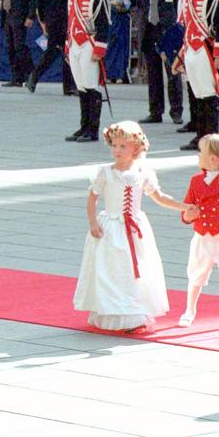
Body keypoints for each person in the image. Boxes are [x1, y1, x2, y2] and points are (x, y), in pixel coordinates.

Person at [74, 121, 193, 332]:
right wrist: (93, 223)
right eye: (114, 145)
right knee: (111, 269)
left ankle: (134, 312)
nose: (116, 150)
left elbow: (159, 196)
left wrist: (183, 207)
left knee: (135, 270)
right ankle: (110, 309)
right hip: (110, 227)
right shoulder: (105, 172)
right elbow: (92, 199)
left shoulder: (143, 172)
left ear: (135, 149)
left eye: (123, 146)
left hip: (135, 228)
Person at [172, 0, 219, 150]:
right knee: (197, 94)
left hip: (205, 49)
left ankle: (212, 139)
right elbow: (184, 26)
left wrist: (217, 55)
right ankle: (200, 136)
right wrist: (180, 54)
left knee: (209, 95)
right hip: (190, 49)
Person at [134, 0, 184, 125]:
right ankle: (155, 111)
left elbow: (179, 8)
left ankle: (176, 111)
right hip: (149, 31)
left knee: (173, 72)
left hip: (167, 33)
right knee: (153, 74)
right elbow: (140, 7)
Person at [64, 0, 110, 143]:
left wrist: (99, 48)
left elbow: (103, 24)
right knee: (82, 87)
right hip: (75, 44)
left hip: (89, 45)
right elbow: (70, 21)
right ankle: (83, 126)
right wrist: (68, 45)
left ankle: (93, 129)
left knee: (92, 86)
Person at [178, 133, 219, 326]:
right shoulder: (196, 180)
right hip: (203, 235)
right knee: (196, 272)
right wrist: (188, 215)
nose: (198, 155)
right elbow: (186, 207)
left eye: (200, 151)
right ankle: (190, 309)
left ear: (213, 158)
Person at [29, 0, 76, 95]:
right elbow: (41, 2)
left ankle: (69, 86)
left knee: (69, 53)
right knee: (52, 52)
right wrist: (45, 22)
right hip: (55, 22)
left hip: (69, 22)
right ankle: (34, 75)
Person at [0, 0, 36, 87]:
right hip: (7, 17)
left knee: (20, 46)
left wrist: (30, 16)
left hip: (20, 17)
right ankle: (16, 78)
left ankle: (30, 74)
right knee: (10, 48)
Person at [104, 0, 132, 83]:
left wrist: (118, 4)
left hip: (121, 21)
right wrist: (113, 3)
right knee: (109, 48)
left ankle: (120, 75)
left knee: (121, 48)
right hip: (109, 22)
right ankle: (109, 75)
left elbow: (126, 5)